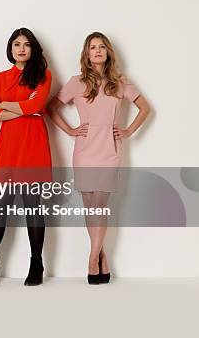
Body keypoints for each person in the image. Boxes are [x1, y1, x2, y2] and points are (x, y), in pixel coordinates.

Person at [47, 31, 150, 284]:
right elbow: (52, 107)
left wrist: (127, 131)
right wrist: (71, 130)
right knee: (89, 205)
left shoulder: (120, 82)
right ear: (87, 53)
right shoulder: (77, 82)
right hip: (84, 150)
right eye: (93, 47)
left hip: (110, 150)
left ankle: (92, 258)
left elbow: (145, 108)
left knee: (100, 204)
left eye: (102, 46)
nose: (97, 51)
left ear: (108, 52)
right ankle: (101, 257)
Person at [0, 28, 52, 286]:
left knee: (33, 204)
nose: (21, 49)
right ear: (10, 49)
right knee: (0, 204)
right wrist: (23, 107)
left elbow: (36, 107)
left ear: (33, 48)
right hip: (9, 146)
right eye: (16, 45)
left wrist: (6, 105)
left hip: (33, 143)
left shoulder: (43, 75)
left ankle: (36, 263)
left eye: (26, 45)